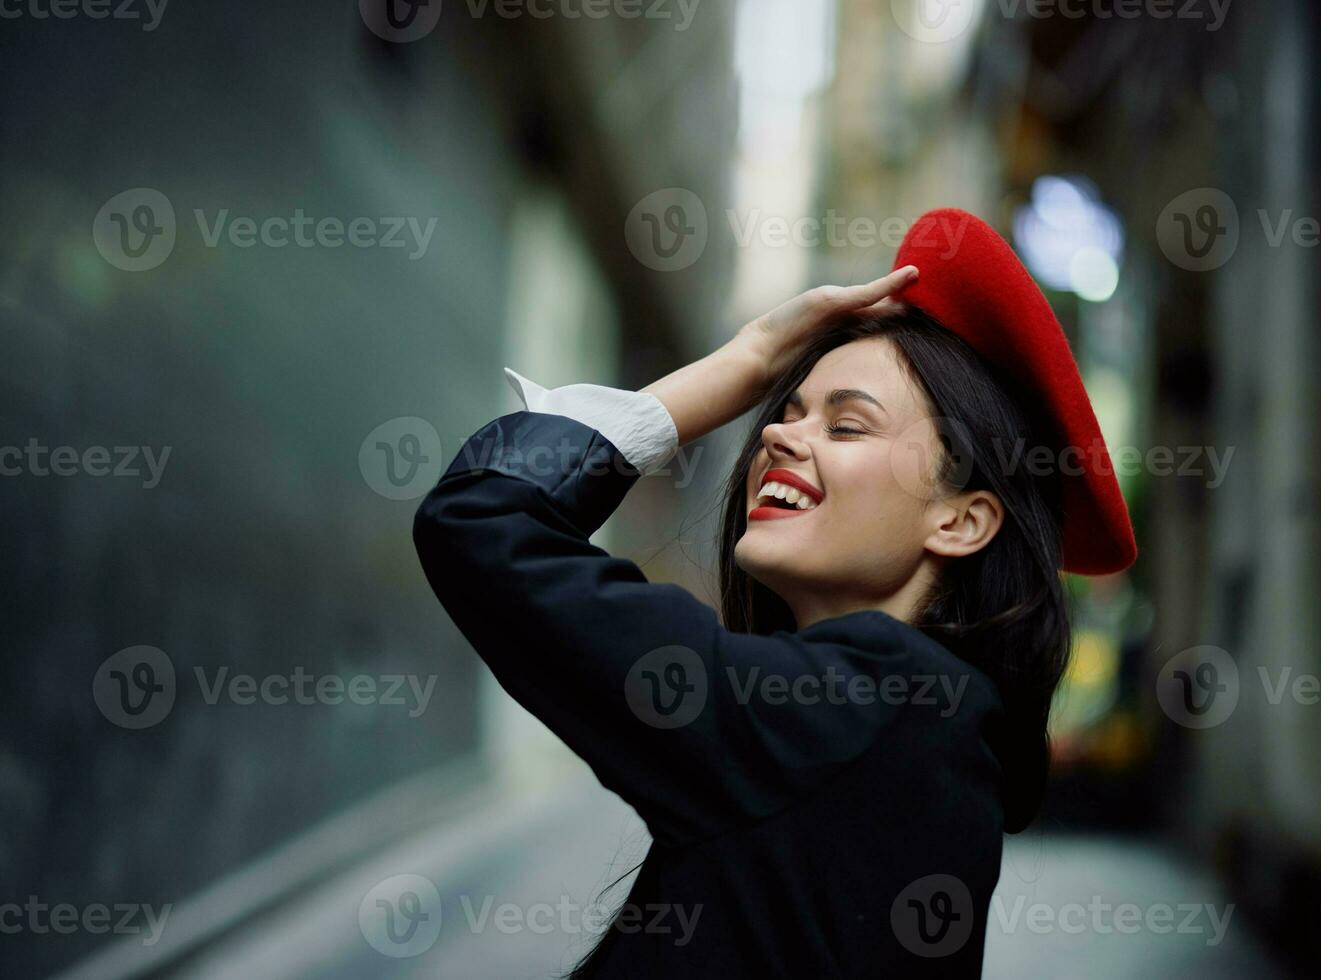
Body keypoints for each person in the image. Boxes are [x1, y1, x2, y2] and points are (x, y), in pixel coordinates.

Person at [413, 208, 1137, 977]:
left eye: (848, 427)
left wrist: (749, 357)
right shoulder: (936, 730)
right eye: (784, 410)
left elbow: (483, 520)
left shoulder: (851, 712)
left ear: (963, 520)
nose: (777, 436)